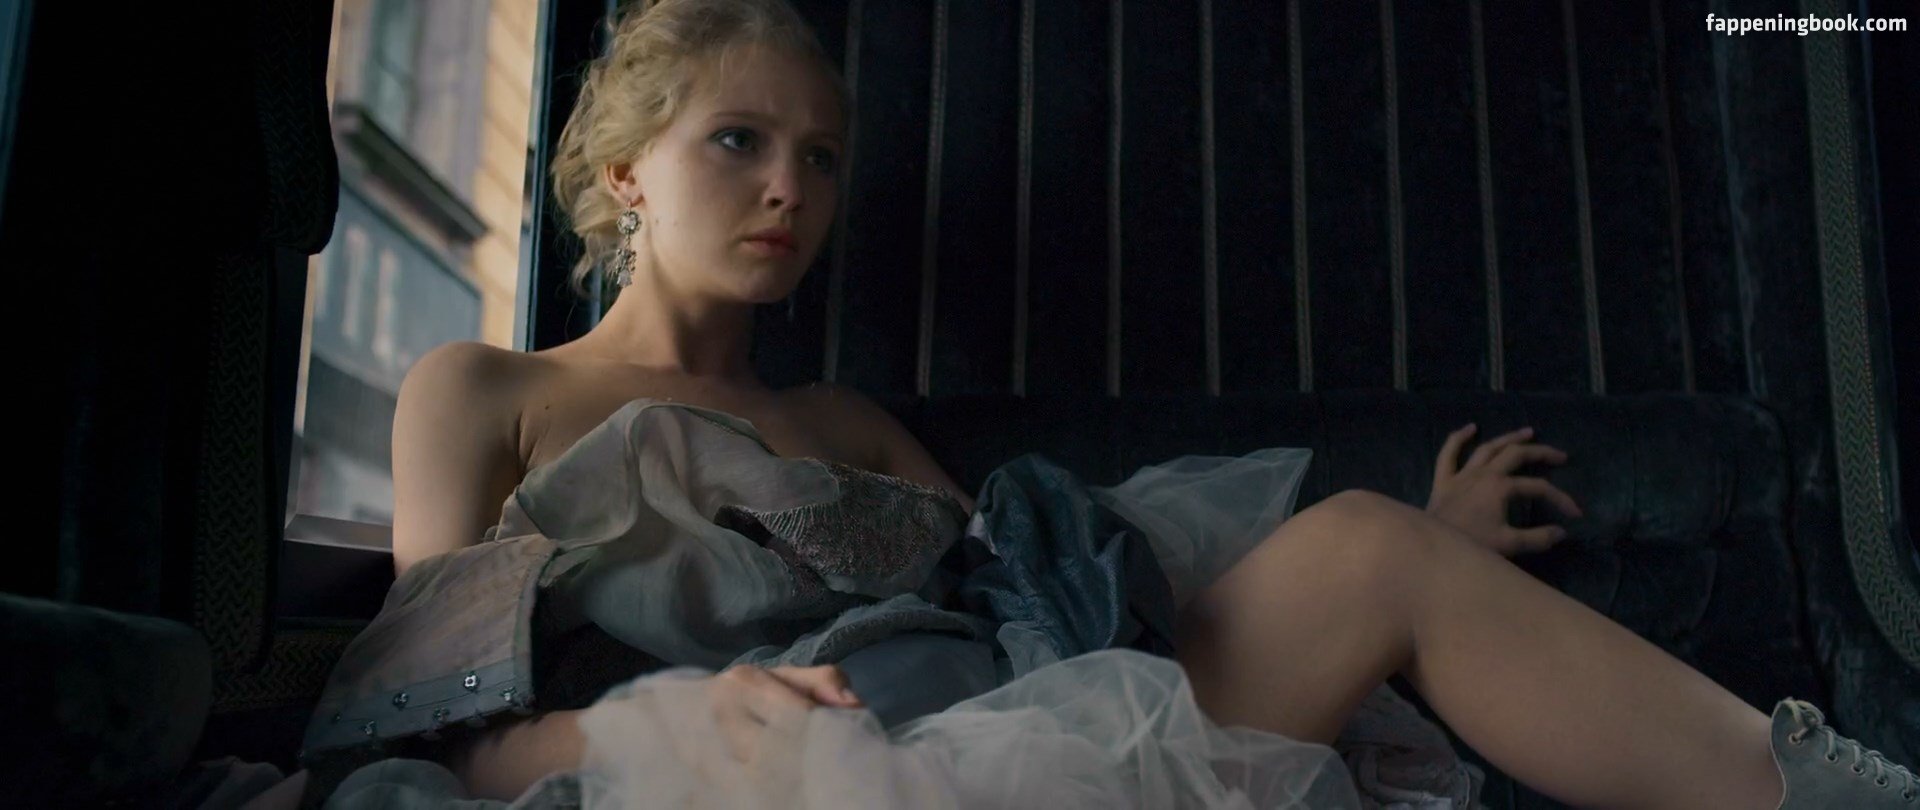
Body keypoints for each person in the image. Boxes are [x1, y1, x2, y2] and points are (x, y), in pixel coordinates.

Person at [283, 0, 1915, 807]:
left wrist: (1422, 553)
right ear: (629, 168)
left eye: (822, 156)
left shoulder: (850, 422)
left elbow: (1071, 614)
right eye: (739, 142)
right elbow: (433, 742)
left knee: (1367, 543)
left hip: (1012, 731)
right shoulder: (485, 388)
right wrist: (668, 733)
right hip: (732, 783)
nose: (791, 188)